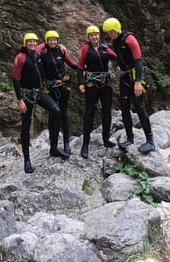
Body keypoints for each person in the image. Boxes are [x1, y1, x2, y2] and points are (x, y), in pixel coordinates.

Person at [12, 32, 69, 173]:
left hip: (39, 92)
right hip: (26, 95)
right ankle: (27, 160)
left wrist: (58, 44)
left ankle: (54, 148)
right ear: (25, 43)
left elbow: (46, 43)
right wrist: (20, 100)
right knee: (26, 125)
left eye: (34, 42)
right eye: (29, 42)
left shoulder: (37, 54)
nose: (32, 44)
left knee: (56, 111)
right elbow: (15, 79)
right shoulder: (20, 57)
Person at [102, 17, 155, 154]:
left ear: (117, 29)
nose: (110, 35)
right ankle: (130, 138)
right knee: (124, 107)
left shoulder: (130, 39)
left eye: (111, 32)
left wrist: (138, 82)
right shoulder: (115, 41)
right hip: (125, 76)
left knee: (139, 106)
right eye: (108, 33)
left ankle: (150, 141)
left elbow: (138, 61)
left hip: (136, 76)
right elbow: (119, 57)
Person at [77, 25, 117, 158]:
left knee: (107, 111)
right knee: (89, 112)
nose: (94, 37)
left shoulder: (105, 48)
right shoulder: (85, 49)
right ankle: (85, 144)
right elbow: (80, 66)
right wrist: (80, 83)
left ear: (99, 36)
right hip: (91, 83)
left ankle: (106, 139)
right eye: (92, 35)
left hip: (105, 83)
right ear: (88, 37)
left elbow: (116, 57)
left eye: (96, 34)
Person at [37, 30, 78, 155]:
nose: (53, 41)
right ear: (47, 41)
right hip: (50, 88)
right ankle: (53, 145)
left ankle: (66, 142)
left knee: (64, 113)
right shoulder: (43, 53)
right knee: (53, 115)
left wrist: (82, 67)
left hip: (63, 86)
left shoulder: (61, 51)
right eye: (50, 39)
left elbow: (70, 63)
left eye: (55, 39)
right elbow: (36, 51)